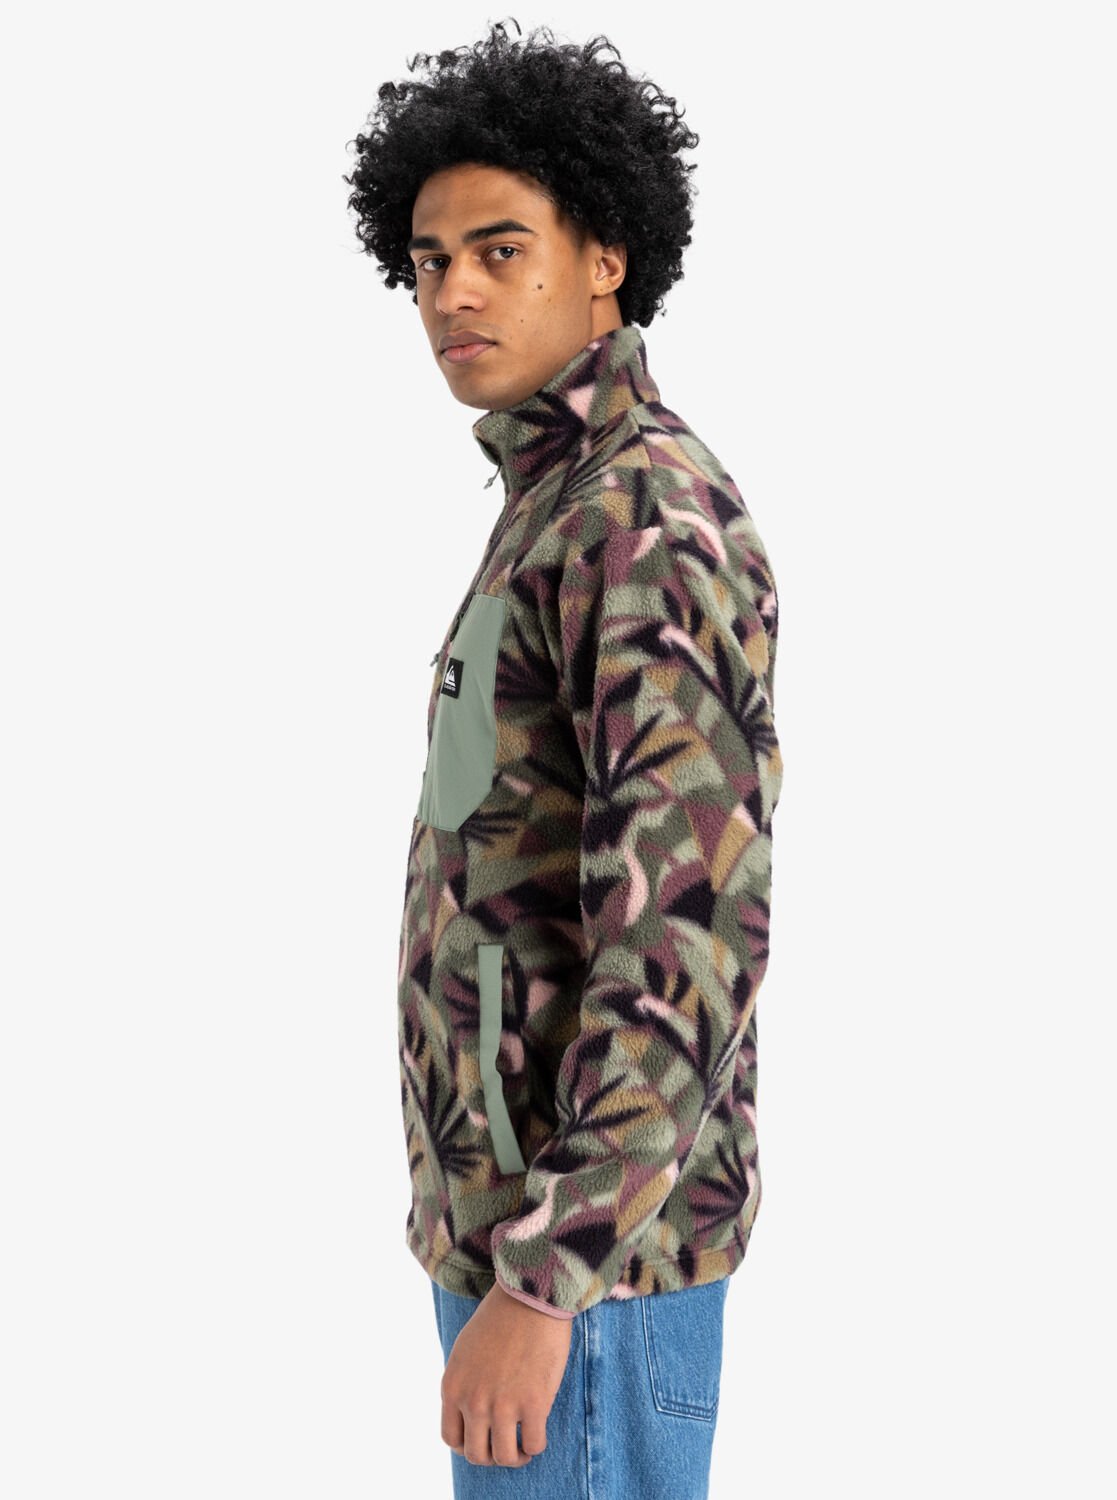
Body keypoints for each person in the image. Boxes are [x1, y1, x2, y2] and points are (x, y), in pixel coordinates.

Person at [345, 18, 783, 1498]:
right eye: (427, 260)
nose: (452, 293)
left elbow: (690, 933)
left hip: (585, 1271)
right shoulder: (555, 500)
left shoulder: (642, 517)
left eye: (499, 250)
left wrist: (544, 1282)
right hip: (523, 1241)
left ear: (604, 258)